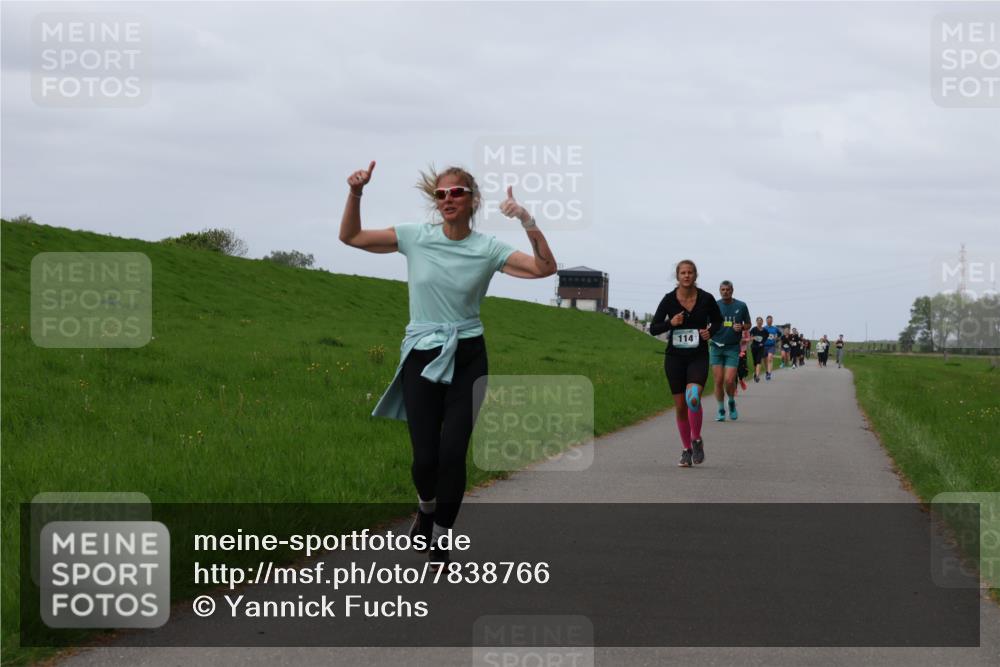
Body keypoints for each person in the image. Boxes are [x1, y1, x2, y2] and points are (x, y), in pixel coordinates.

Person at [341, 161, 557, 566]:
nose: (447, 200)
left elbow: (546, 268)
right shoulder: (414, 237)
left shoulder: (487, 248)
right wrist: (356, 193)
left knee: (453, 452)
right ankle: (425, 509)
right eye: (440, 195)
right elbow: (350, 236)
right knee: (425, 458)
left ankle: (441, 537)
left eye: (456, 193)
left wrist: (528, 219)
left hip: (468, 355)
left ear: (473, 200)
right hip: (422, 354)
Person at [650, 260, 723, 467]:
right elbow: (654, 328)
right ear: (677, 276)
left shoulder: (707, 298)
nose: (686, 276)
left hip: (698, 356)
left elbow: (717, 321)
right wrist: (670, 323)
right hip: (674, 358)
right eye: (683, 272)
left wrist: (711, 331)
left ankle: (696, 438)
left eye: (690, 272)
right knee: (681, 407)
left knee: (692, 398)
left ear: (695, 275)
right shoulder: (668, 300)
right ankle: (686, 450)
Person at [709, 280, 751, 421]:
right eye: (722, 289)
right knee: (719, 380)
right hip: (716, 346)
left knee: (729, 380)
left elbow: (748, 324)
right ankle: (721, 409)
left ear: (732, 290)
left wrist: (742, 327)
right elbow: (706, 323)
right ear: (719, 291)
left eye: (727, 289)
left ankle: (731, 402)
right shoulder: (714, 305)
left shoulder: (741, 306)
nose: (725, 292)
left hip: (733, 347)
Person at [748, 316, 767, 382]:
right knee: (755, 362)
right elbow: (749, 336)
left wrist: (763, 343)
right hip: (754, 347)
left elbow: (766, 337)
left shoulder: (765, 330)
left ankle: (757, 376)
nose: (759, 322)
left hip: (761, 348)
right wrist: (752, 338)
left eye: (760, 321)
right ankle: (755, 373)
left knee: (759, 361)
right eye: (758, 321)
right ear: (756, 322)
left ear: (762, 322)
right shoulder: (753, 329)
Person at [762, 315, 781, 381]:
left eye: (770, 320)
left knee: (770, 358)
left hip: (771, 346)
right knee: (765, 360)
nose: (769, 321)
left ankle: (769, 374)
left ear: (772, 321)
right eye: (768, 320)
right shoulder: (764, 328)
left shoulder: (775, 328)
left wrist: (777, 338)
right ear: (766, 321)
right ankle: (767, 372)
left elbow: (780, 334)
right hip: (764, 346)